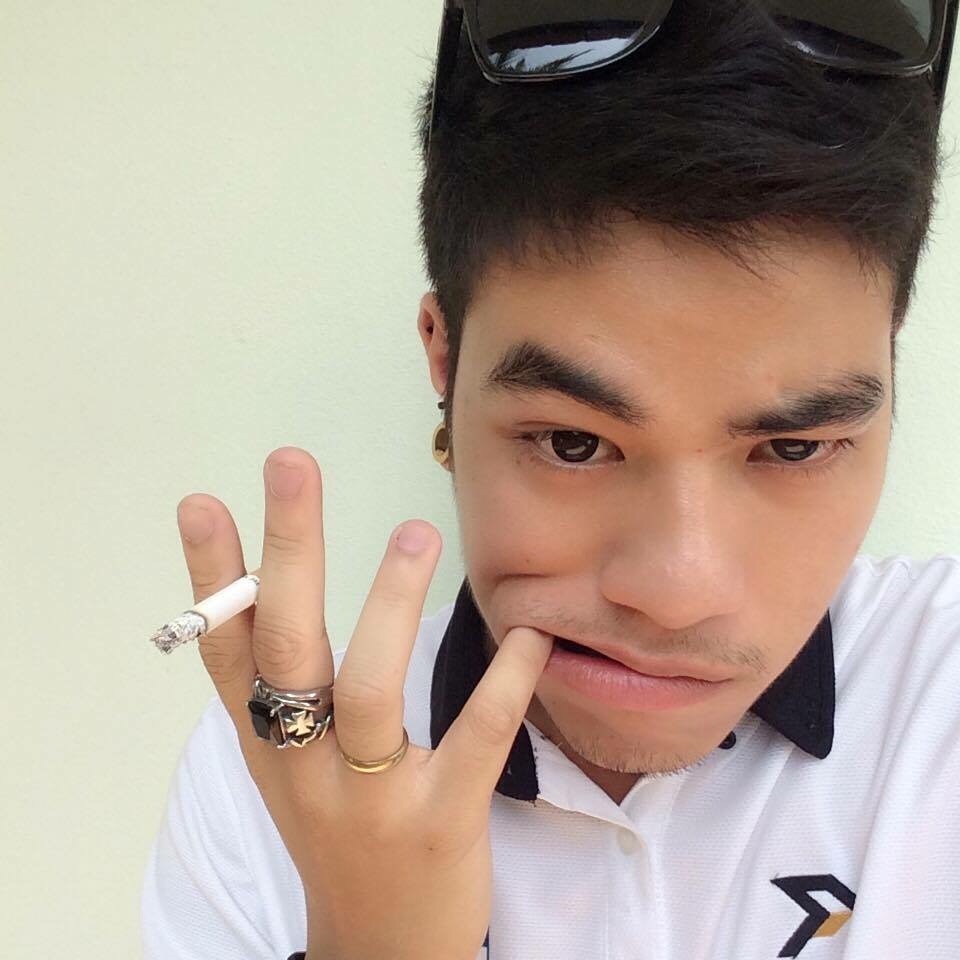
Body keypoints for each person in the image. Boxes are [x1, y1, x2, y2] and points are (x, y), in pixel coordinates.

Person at [141, 1, 960, 958]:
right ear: (444, 358)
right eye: (573, 443)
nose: (678, 591)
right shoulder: (268, 779)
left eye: (793, 449)